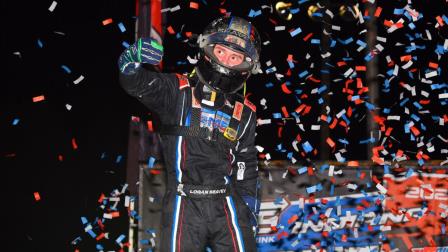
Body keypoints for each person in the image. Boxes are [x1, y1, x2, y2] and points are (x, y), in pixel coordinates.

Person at [118, 16, 261, 252]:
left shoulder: (244, 112)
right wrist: (130, 60)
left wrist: (249, 206)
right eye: (221, 51)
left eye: (234, 57)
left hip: (227, 202)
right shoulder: (177, 91)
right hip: (183, 202)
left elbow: (246, 162)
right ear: (207, 48)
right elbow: (137, 84)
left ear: (246, 66)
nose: (226, 60)